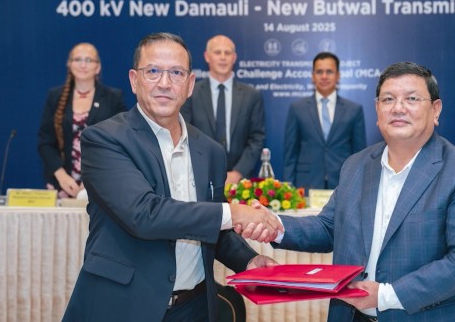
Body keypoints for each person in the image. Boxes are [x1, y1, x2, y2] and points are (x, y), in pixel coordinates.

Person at [245, 62, 455, 321]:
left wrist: (385, 296)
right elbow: (329, 228)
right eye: (388, 99)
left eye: (411, 99)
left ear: (435, 109)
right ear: (377, 110)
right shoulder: (356, 165)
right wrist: (275, 225)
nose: (398, 108)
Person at [62, 32, 280, 322]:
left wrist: (248, 260)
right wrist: (234, 212)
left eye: (176, 73)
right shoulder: (104, 140)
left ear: (189, 85)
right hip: (123, 307)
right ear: (134, 80)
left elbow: (210, 226)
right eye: (153, 71)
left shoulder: (211, 152)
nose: (164, 83)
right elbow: (144, 214)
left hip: (194, 308)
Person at [37, 42, 126, 198]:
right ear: (69, 64)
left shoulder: (113, 98)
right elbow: (46, 143)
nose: (83, 65)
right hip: (62, 186)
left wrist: (92, 178)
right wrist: (62, 176)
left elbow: (120, 143)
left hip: (102, 184)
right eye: (77, 59)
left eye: (89, 60)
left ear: (98, 67)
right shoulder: (55, 96)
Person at [181, 35, 265, 185]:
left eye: (227, 53)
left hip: (240, 181)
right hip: (199, 177)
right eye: (217, 52)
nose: (223, 57)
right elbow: (183, 135)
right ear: (207, 57)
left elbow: (256, 138)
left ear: (234, 58)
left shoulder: (252, 95)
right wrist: (205, 171)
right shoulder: (190, 93)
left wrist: (238, 172)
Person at [283, 52, 366, 190]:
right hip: (306, 184)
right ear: (312, 76)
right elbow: (290, 154)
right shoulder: (297, 109)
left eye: (329, 72)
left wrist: (358, 187)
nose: (324, 76)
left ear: (338, 75)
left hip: (343, 183)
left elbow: (360, 154)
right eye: (319, 72)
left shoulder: (354, 110)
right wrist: (288, 188)